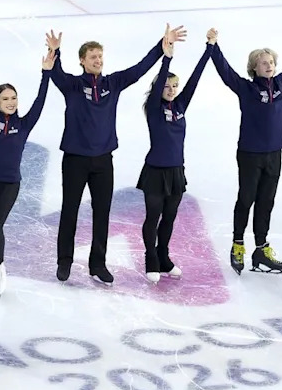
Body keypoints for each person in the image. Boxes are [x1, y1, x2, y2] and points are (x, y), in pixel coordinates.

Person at [45, 23, 187, 285]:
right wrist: (56, 53)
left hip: (103, 160)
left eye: (100, 56)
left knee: (102, 212)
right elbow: (56, 75)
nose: (98, 60)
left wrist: (161, 46)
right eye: (92, 57)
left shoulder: (113, 83)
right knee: (70, 210)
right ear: (82, 61)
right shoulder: (73, 86)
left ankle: (97, 264)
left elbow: (140, 69)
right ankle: (64, 262)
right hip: (75, 159)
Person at [210, 18, 282, 275]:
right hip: (250, 154)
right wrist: (213, 46)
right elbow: (225, 72)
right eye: (264, 63)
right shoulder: (246, 88)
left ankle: (261, 248)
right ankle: (238, 244)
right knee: (246, 198)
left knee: (266, 201)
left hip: (275, 153)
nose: (269, 66)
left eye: (272, 62)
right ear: (254, 67)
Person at [0, 44, 55, 294]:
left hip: (10, 184)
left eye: (14, 98)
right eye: (5, 99)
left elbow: (41, 100)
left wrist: (46, 73)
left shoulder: (24, 123)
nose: (11, 102)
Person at [138, 29, 215, 283]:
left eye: (174, 86)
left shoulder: (180, 105)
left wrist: (209, 49)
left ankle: (164, 256)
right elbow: (160, 81)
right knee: (153, 216)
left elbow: (194, 80)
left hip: (176, 171)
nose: (171, 90)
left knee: (169, 217)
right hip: (156, 172)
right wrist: (166, 58)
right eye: (167, 86)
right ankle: (150, 257)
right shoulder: (153, 109)